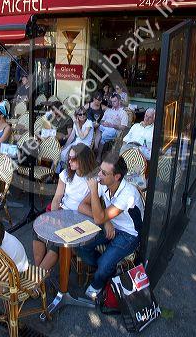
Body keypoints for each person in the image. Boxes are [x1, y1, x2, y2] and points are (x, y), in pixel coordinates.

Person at [76, 153, 144, 299]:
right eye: (100, 170)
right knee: (80, 245)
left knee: (104, 264)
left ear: (117, 177)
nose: (99, 175)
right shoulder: (104, 182)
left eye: (104, 173)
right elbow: (82, 206)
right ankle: (105, 265)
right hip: (110, 223)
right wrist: (106, 221)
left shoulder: (128, 194)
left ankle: (100, 279)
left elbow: (99, 216)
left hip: (130, 234)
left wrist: (94, 191)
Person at [33, 144, 97, 270]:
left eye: (73, 158)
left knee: (57, 242)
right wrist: (55, 216)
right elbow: (57, 198)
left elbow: (89, 206)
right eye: (69, 157)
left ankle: (38, 278)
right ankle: (38, 271)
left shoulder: (92, 180)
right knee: (37, 228)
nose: (69, 161)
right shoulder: (66, 174)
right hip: (62, 212)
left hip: (79, 219)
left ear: (83, 160)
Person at [95, 93, 128, 162]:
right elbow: (101, 121)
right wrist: (104, 123)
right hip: (105, 127)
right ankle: (95, 147)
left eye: (115, 101)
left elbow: (123, 127)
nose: (113, 103)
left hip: (114, 130)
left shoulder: (123, 112)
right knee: (96, 127)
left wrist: (112, 125)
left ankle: (99, 156)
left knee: (104, 135)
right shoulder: (108, 110)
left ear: (119, 101)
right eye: (112, 101)